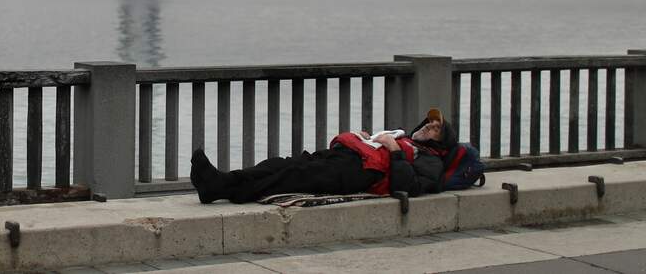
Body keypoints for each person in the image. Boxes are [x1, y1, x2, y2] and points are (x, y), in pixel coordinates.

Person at [190, 109, 454, 204]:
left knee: (294, 176)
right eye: (428, 123)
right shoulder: (404, 137)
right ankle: (222, 180)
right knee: (282, 163)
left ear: (440, 144)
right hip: (347, 155)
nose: (428, 127)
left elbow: (410, 187)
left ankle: (222, 190)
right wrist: (368, 138)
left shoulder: (432, 161)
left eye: (435, 129)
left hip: (362, 172)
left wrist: (394, 151)